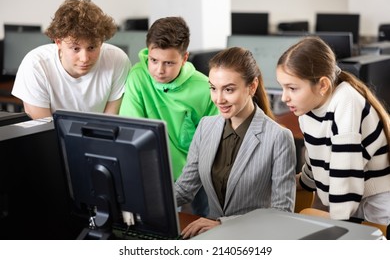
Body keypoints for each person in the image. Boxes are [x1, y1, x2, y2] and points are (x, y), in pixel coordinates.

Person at [175, 47, 296, 239]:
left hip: (253, 238)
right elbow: (184, 190)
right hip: (210, 237)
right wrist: (142, 204)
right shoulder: (205, 127)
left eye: (229, 89)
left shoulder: (278, 137)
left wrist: (221, 224)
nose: (219, 99)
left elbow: (282, 213)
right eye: (213, 88)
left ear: (252, 86)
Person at [276, 36, 390, 229]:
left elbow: (346, 169)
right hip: (348, 197)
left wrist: (337, 222)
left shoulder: (346, 101)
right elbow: (316, 155)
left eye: (292, 88)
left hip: (376, 201)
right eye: (283, 87)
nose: (284, 97)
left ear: (322, 85)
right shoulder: (307, 107)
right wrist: (303, 182)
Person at [119, 16, 218, 216]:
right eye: (154, 60)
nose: (159, 70)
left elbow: (215, 138)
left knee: (209, 219)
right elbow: (132, 129)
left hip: (199, 168)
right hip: (156, 170)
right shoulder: (138, 77)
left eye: (169, 63)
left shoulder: (204, 87)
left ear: (184, 58)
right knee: (168, 225)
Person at [12, 0, 131, 119]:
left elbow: (109, 122)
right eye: (75, 49)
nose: (84, 58)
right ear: (58, 42)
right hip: (50, 136)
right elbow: (43, 129)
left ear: (101, 42)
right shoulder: (35, 65)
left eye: (92, 48)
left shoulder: (117, 60)